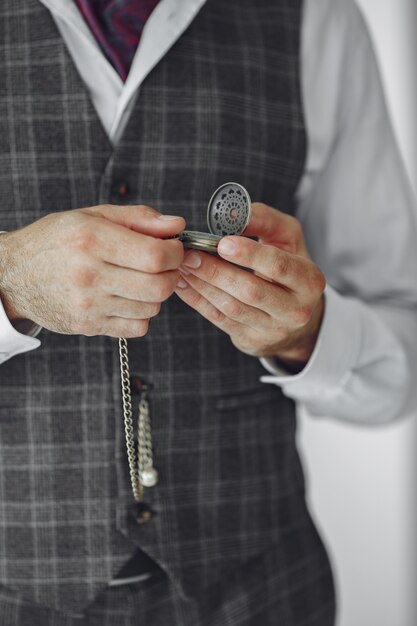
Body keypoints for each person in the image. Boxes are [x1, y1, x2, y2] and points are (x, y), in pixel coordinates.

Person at [0, 0, 416, 624]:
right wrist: (10, 283)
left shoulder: (317, 17)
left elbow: (400, 358)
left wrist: (309, 334)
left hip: (263, 592)